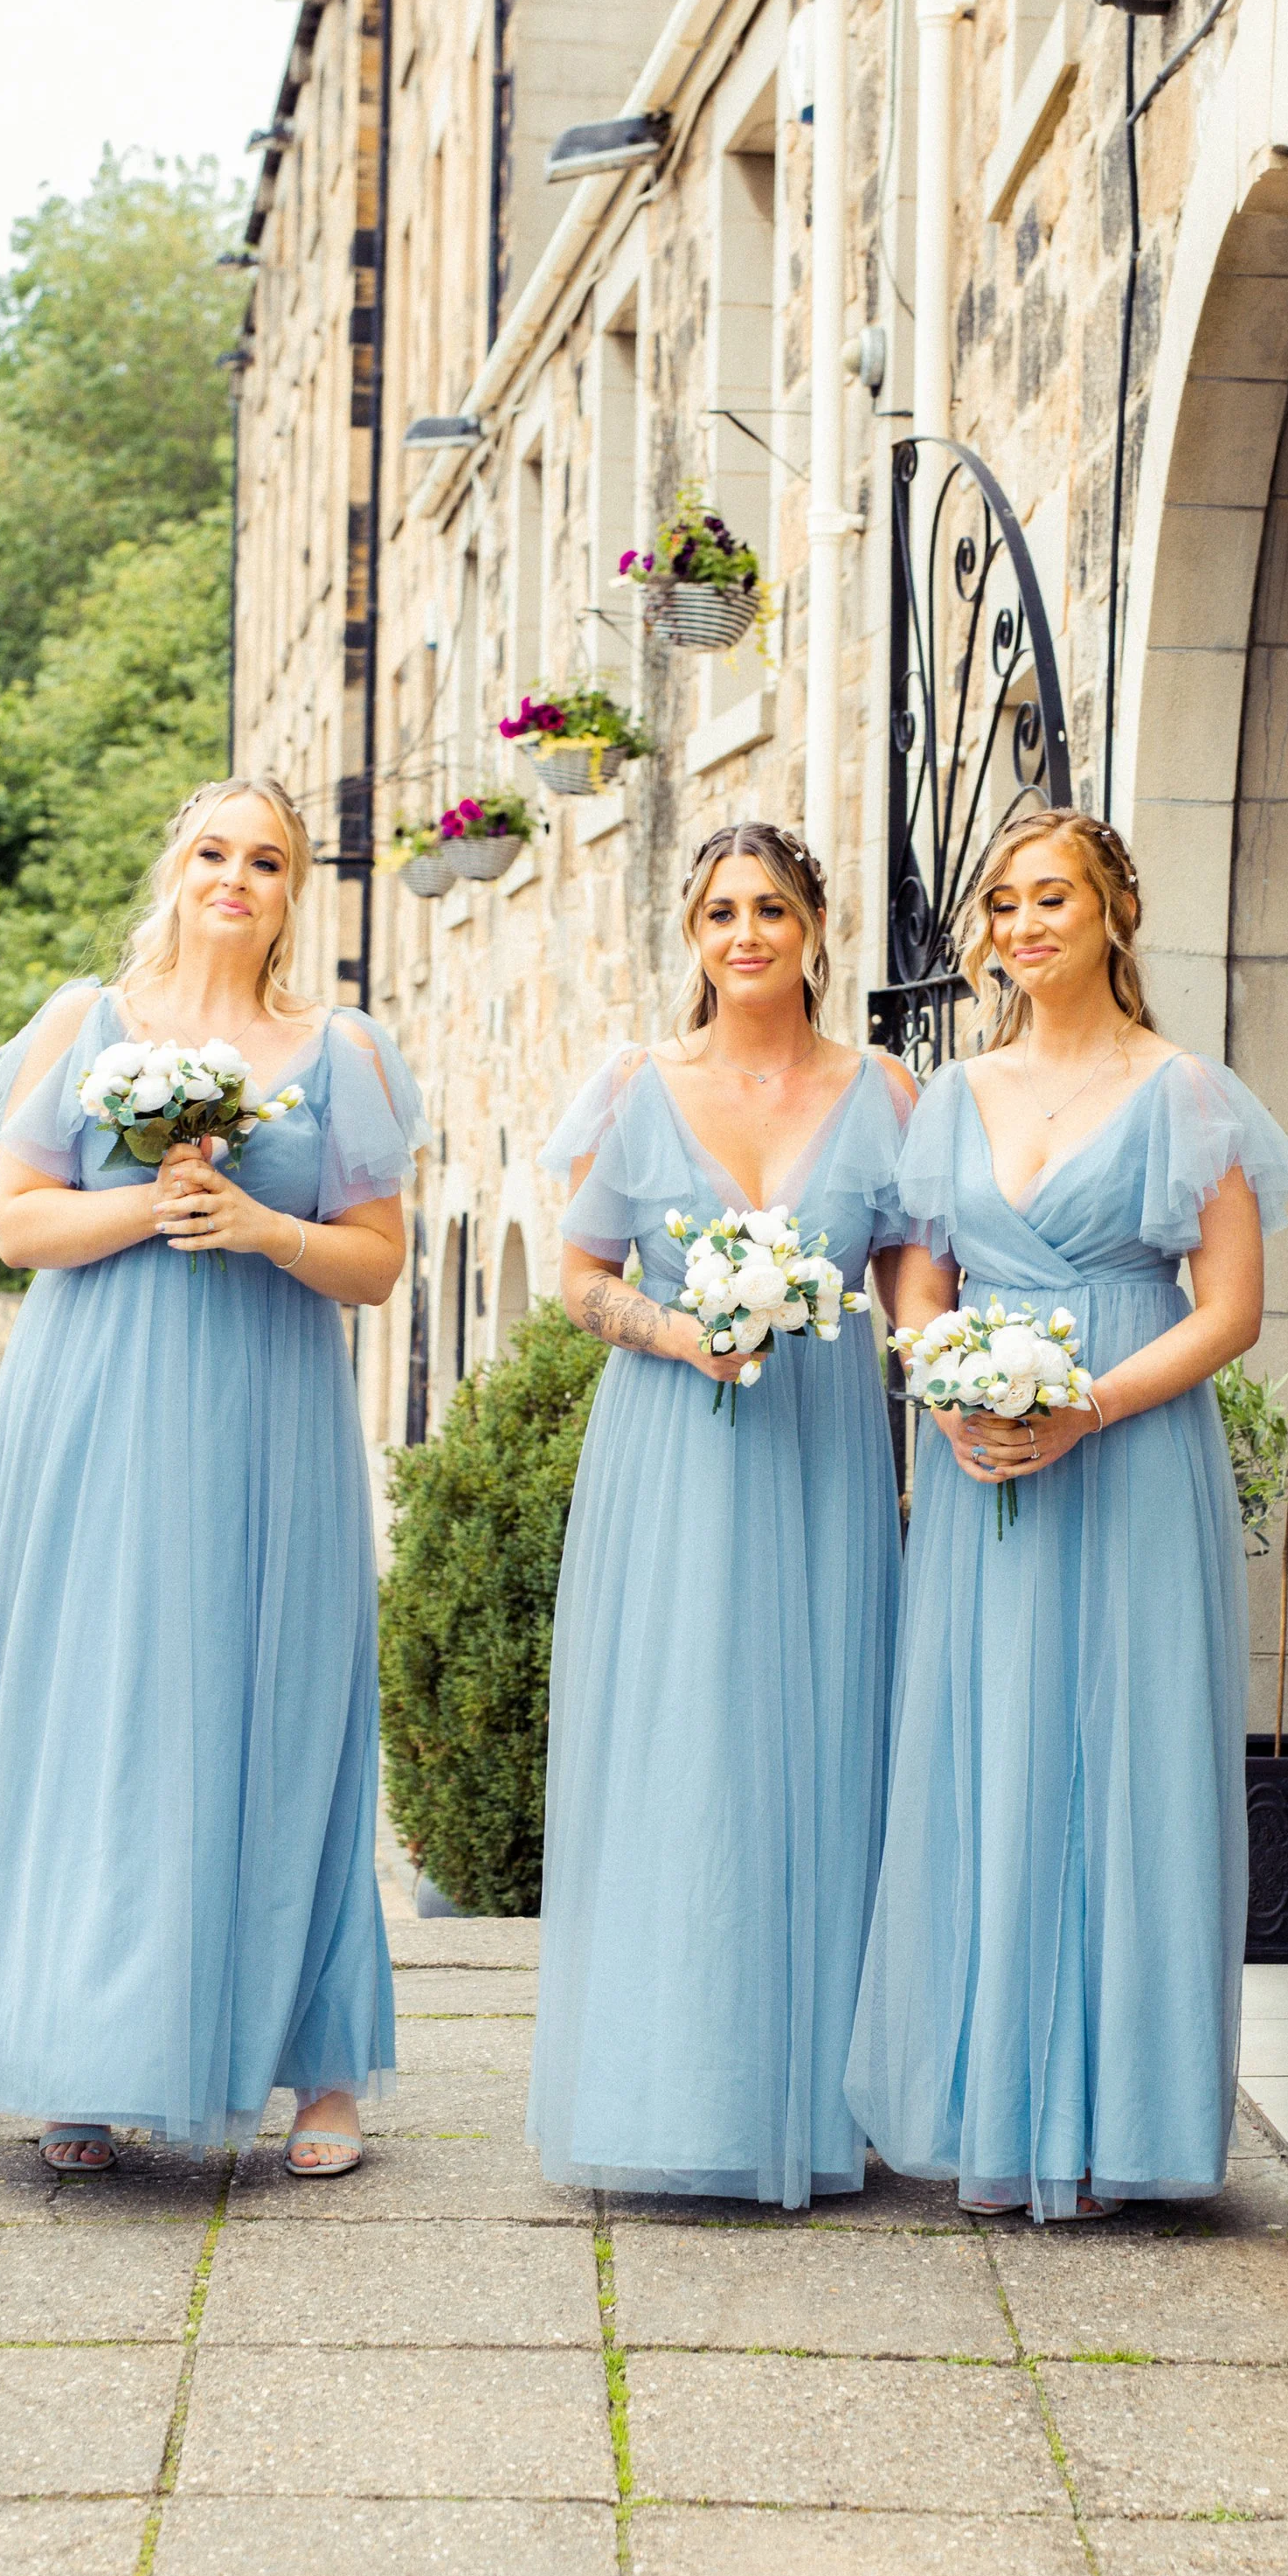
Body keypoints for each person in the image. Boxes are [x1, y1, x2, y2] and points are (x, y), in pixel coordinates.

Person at [0, 776, 424, 2177]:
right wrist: (155, 1202)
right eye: (214, 851)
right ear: (177, 864)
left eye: (267, 859)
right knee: (110, 1703)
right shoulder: (89, 1024)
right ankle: (90, 2045)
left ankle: (317, 2068)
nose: (236, 878)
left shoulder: (343, 1048)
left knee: (281, 1700)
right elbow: (15, 1223)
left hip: (270, 1410)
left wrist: (263, 1225)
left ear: (293, 889)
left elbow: (377, 1261)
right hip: (101, 1411)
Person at [844, 807, 1288, 2218]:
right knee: (989, 1755)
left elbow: (1230, 1310)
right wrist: (948, 1380)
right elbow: (918, 1277)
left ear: (1115, 913)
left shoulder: (1186, 1093)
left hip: (1130, 1451)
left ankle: (1116, 2114)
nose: (1025, 923)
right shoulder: (954, 1095)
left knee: (1123, 1761)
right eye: (1004, 903)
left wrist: (1086, 1405)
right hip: (985, 1460)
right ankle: (997, 2104)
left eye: (1056, 897)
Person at [527, 823, 914, 2205]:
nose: (745, 932)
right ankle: (669, 2077)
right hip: (674, 1448)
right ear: (692, 936)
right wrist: (678, 1331)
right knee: (685, 1744)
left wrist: (959, 1368)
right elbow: (577, 1276)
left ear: (817, 921)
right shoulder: (639, 1087)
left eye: (770, 907)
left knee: (819, 1735)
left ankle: (816, 2088)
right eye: (718, 912)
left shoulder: (889, 1091)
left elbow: (912, 1278)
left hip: (821, 1447)